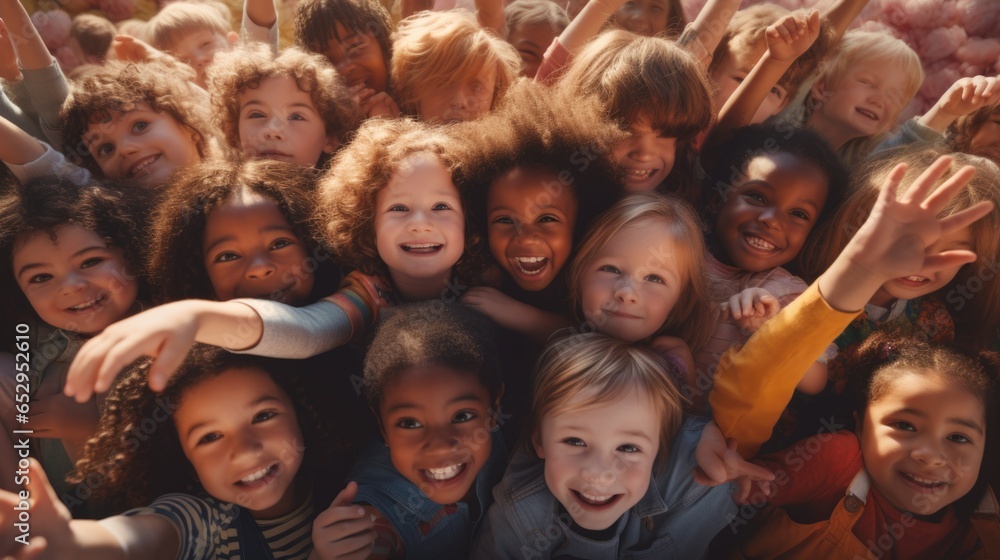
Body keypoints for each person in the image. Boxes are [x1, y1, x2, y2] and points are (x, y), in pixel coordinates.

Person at [693, 155, 1000, 559]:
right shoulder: (799, 286)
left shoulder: (935, 321)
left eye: (952, 252)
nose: (920, 261)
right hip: (778, 452)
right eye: (914, 242)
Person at [62, 118, 481, 400]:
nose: (421, 224)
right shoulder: (369, 291)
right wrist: (195, 316)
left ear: (472, 215)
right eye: (398, 209)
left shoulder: (490, 276)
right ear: (363, 219)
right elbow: (307, 330)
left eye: (442, 207)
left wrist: (517, 316)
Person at [0, 345, 336, 559]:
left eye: (263, 416)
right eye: (210, 437)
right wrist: (74, 543)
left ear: (301, 413)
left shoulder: (350, 485)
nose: (245, 451)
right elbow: (140, 539)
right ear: (185, 458)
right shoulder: (201, 520)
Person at [314, 303, 505, 559]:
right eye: (410, 423)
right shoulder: (376, 512)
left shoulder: (518, 439)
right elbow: (374, 541)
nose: (439, 445)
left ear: (494, 408)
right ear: (381, 425)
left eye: (462, 416)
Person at [0, 177, 145, 513]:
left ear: (129, 254)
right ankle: (21, 517)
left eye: (90, 261)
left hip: (129, 509)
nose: (71, 287)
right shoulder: (40, 335)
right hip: (43, 483)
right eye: (41, 278)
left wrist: (97, 425)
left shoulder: (159, 334)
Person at [566, 192, 715, 388]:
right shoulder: (565, 345)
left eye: (654, 278)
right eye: (611, 269)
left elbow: (690, 416)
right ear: (579, 275)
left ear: (680, 300)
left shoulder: (672, 363)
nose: (627, 293)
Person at [144, 158, 338, 305]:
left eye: (279, 243)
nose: (259, 269)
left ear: (313, 242)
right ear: (198, 272)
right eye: (228, 256)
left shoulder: (356, 310)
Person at [61, 59, 216, 190]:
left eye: (140, 126)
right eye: (107, 149)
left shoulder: (238, 172)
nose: (124, 149)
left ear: (187, 120)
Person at [207, 42, 358, 167]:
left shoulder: (346, 202)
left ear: (329, 138)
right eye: (257, 114)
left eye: (296, 117)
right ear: (235, 134)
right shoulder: (218, 200)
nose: (272, 130)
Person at [799, 30, 923, 164]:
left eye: (893, 96)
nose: (878, 101)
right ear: (821, 87)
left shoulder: (871, 152)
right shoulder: (784, 111)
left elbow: (907, 152)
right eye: (867, 82)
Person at [390, 10, 520, 124]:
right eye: (444, 82)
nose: (460, 101)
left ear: (495, 98)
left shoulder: (513, 149)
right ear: (411, 90)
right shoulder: (386, 145)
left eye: (477, 87)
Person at [294, 0, 399, 119]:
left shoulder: (417, 94)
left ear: (386, 45)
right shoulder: (317, 127)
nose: (344, 68)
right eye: (326, 61)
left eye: (355, 47)